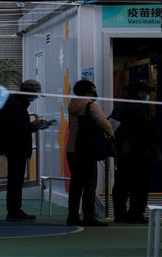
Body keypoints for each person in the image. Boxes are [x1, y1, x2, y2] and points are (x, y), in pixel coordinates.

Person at [66, 79, 115, 227]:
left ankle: (72, 216)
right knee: (89, 184)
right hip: (87, 150)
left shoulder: (72, 105)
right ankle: (89, 216)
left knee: (76, 184)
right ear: (88, 91)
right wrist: (111, 133)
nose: (95, 92)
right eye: (93, 89)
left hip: (73, 149)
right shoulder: (91, 105)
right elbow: (103, 122)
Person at [0, 79, 44, 222]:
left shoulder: (14, 102)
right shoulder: (15, 106)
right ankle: (14, 211)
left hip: (14, 146)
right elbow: (16, 130)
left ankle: (15, 209)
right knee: (15, 180)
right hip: (15, 147)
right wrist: (33, 125)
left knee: (15, 180)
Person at [111, 80, 159, 223]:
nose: (148, 95)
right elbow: (148, 130)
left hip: (123, 152)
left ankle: (120, 213)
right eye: (146, 92)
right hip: (138, 152)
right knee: (140, 184)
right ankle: (136, 213)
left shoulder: (120, 106)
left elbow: (111, 125)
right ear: (139, 93)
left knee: (121, 184)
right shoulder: (137, 108)